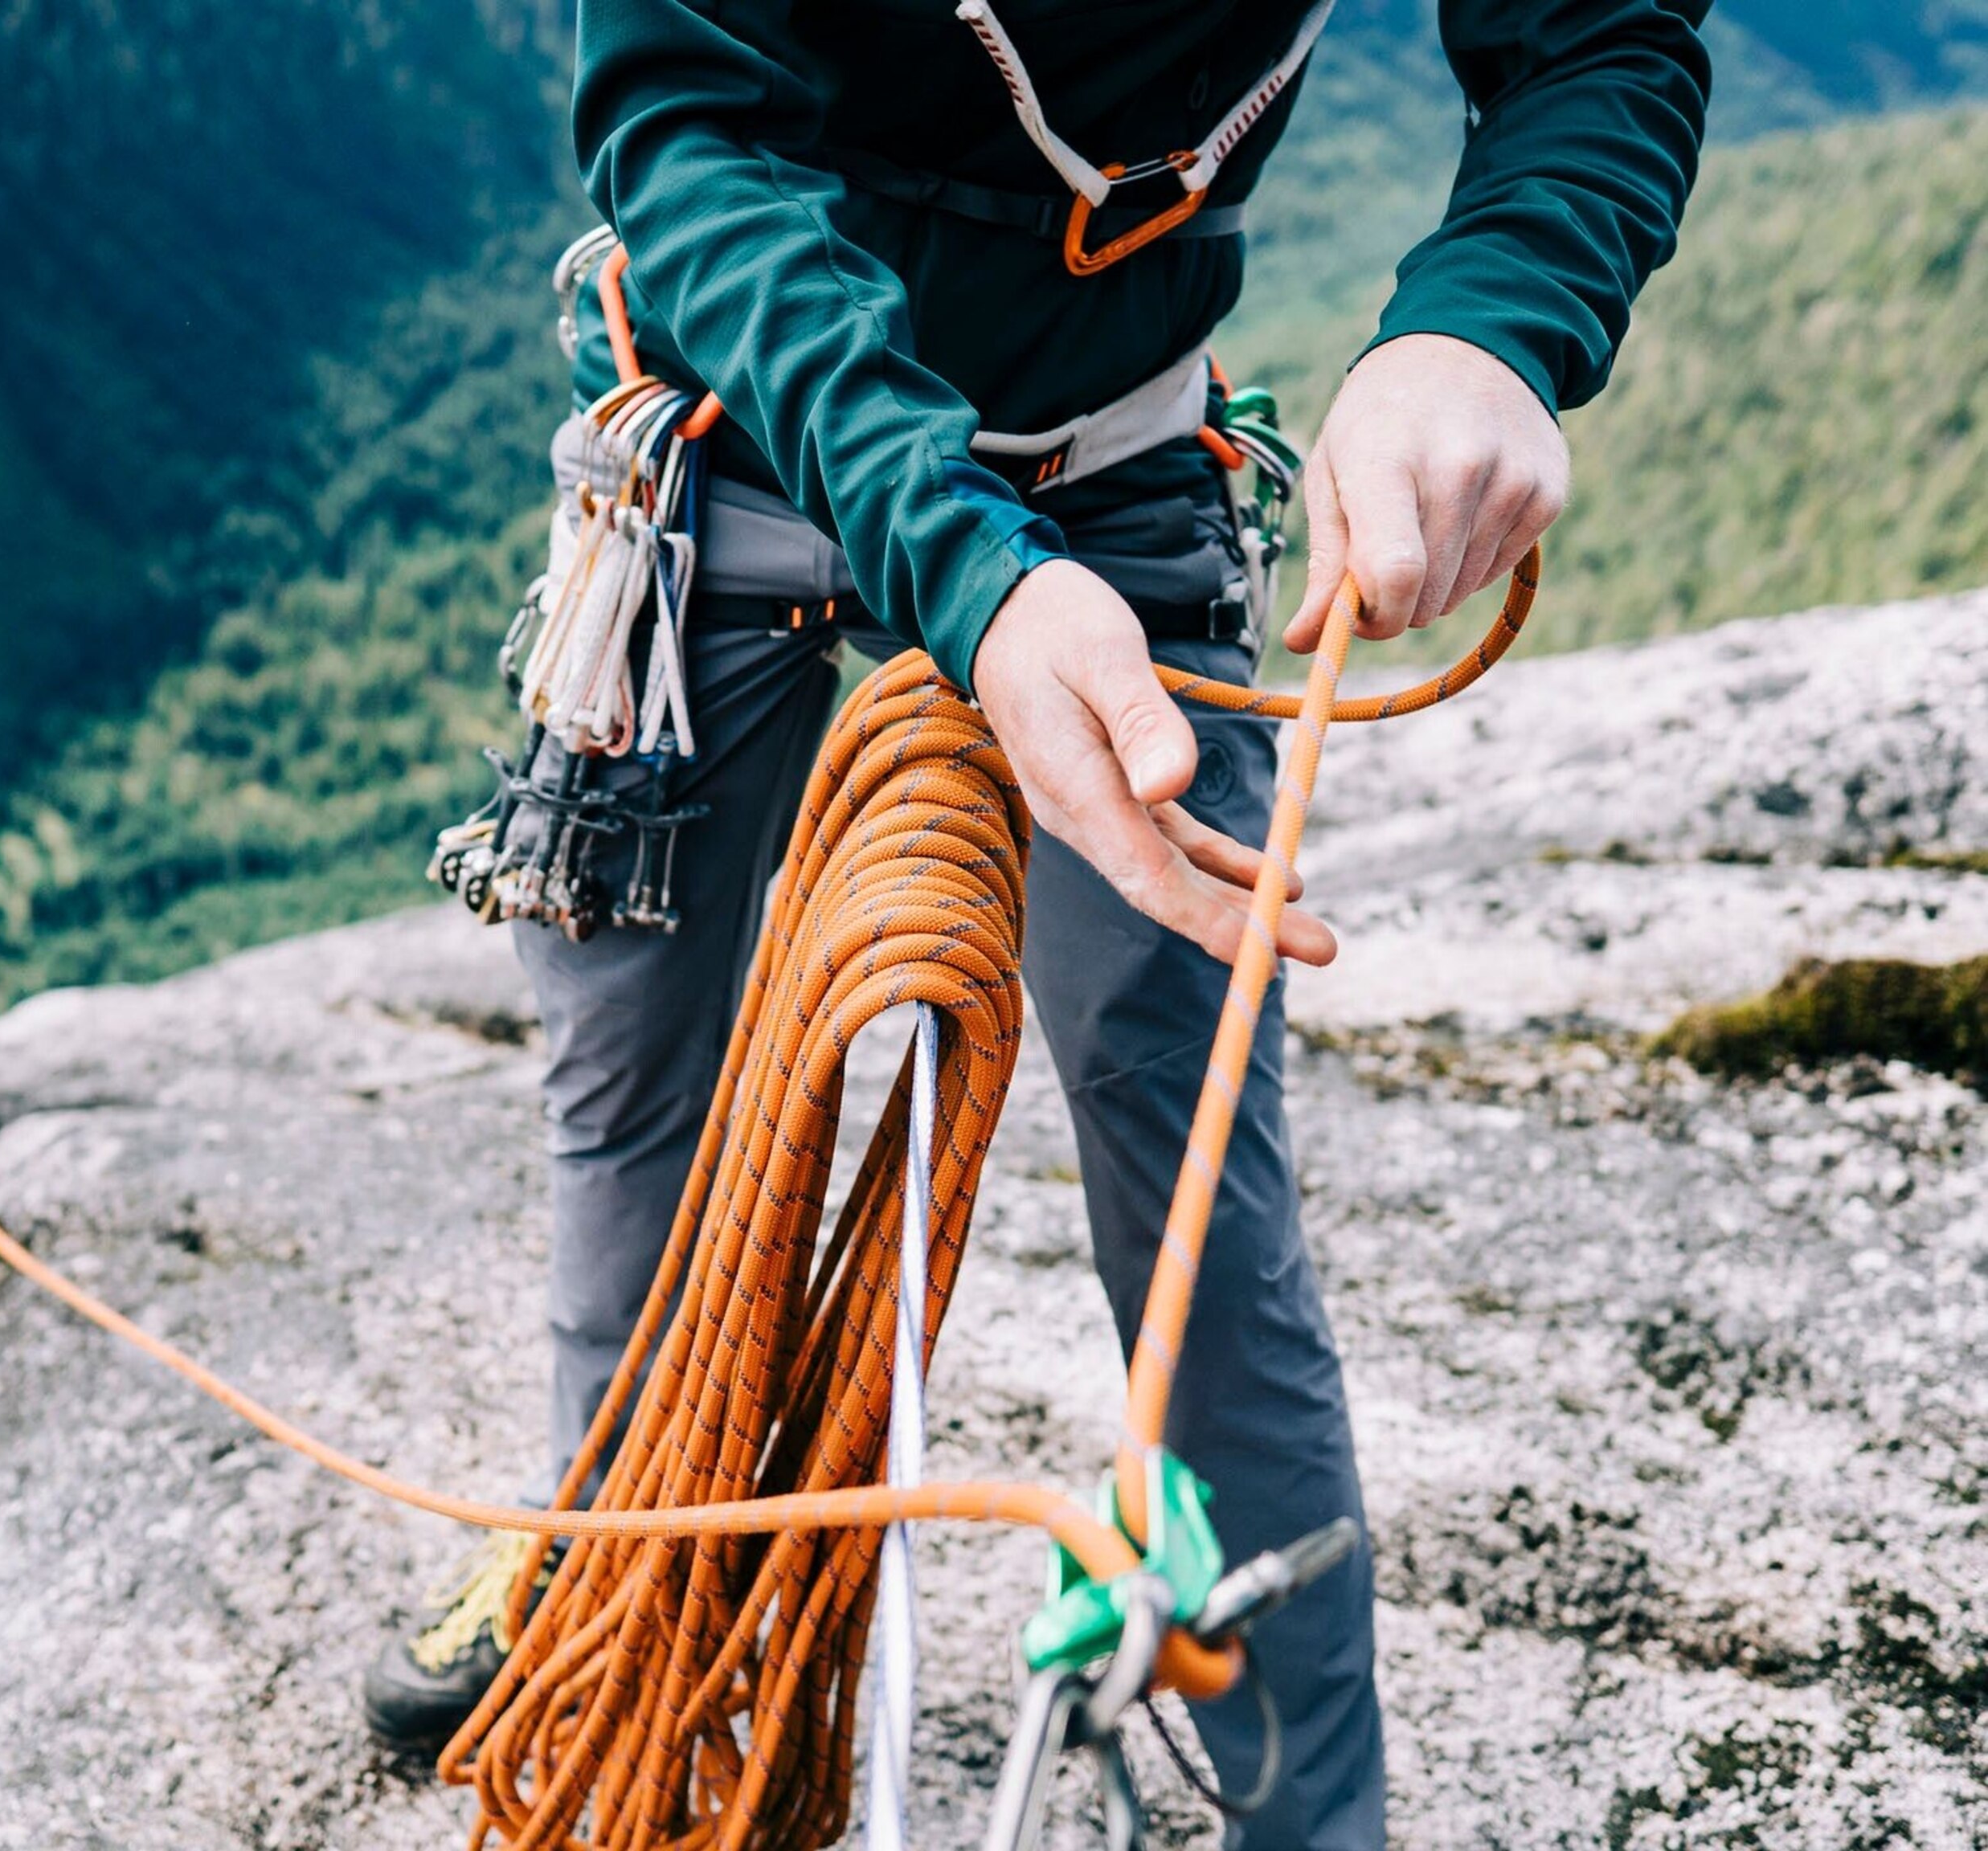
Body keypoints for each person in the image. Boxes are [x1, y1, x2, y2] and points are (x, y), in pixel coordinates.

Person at [368, 4, 1711, 1840]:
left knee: (1189, 1146)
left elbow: (1589, 30)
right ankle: (609, 1572)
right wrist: (969, 570)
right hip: (745, 423)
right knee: (637, 1090)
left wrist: (1491, 315)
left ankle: (1313, 1819)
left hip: (1110, 458)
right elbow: (686, 120)